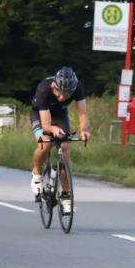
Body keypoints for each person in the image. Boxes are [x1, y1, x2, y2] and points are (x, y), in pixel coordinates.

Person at [30, 67, 90, 213]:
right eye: (60, 93)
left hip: (60, 114)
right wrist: (52, 130)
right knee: (45, 142)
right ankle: (37, 173)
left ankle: (66, 195)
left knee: (64, 148)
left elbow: (82, 114)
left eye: (67, 94)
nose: (63, 98)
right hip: (40, 114)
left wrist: (83, 131)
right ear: (54, 86)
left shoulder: (78, 87)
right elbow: (45, 125)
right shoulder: (44, 89)